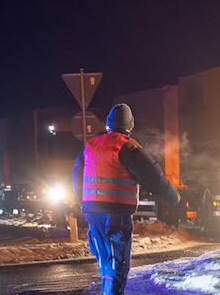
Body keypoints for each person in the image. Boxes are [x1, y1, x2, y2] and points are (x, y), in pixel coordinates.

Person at [72, 103, 180, 295]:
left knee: (105, 259)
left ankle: (108, 292)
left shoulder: (90, 145)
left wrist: (82, 202)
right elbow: (151, 175)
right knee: (118, 262)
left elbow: (77, 176)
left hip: (93, 213)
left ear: (108, 124)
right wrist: (171, 194)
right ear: (130, 126)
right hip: (116, 214)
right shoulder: (127, 146)